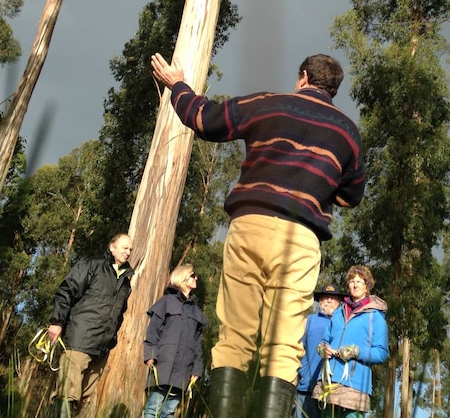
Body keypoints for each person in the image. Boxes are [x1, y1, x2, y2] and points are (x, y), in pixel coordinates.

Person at [150, 52, 365, 418]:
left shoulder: (267, 104)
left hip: (251, 223)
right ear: (334, 90)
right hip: (302, 238)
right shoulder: (348, 133)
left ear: (302, 77)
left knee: (234, 337)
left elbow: (205, 119)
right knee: (283, 345)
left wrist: (177, 85)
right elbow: (351, 196)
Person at [47, 233, 134, 417]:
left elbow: (119, 315)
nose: (128, 252)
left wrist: (111, 341)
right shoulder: (92, 265)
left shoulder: (126, 283)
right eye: (124, 247)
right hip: (79, 340)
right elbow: (66, 291)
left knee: (81, 400)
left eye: (130, 249)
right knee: (66, 395)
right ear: (112, 247)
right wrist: (56, 322)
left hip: (101, 349)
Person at [313, 266, 388, 417]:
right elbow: (324, 339)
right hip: (329, 383)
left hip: (355, 387)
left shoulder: (376, 317)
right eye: (352, 281)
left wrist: (356, 352)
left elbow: (382, 352)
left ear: (367, 287)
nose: (355, 285)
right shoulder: (338, 313)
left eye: (360, 282)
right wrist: (322, 348)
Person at [141, 264, 207, 418]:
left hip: (183, 371)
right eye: (192, 275)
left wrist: (197, 370)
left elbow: (198, 345)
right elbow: (152, 332)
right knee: (152, 410)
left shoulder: (196, 311)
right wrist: (150, 356)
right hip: (163, 366)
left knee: (169, 413)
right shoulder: (166, 302)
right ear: (182, 278)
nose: (196, 278)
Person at [294, 284, 345, 418]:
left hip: (332, 390)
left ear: (339, 302)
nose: (329, 300)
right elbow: (297, 349)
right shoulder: (308, 321)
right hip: (306, 388)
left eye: (333, 298)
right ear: (320, 300)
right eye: (325, 297)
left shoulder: (344, 324)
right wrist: (300, 374)